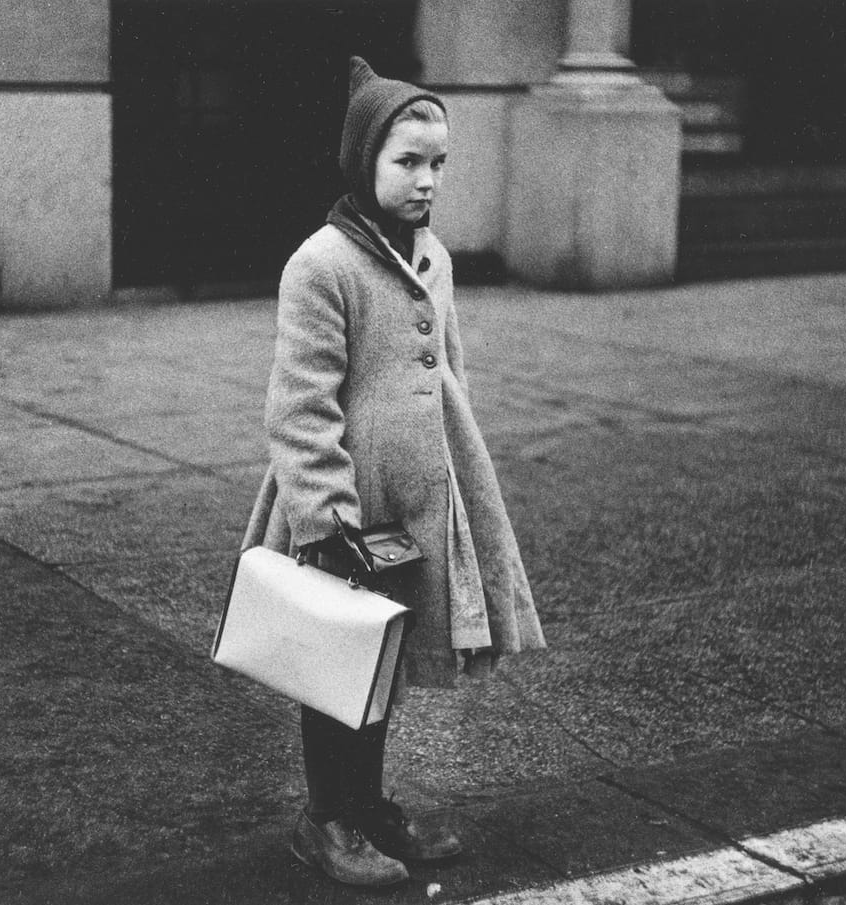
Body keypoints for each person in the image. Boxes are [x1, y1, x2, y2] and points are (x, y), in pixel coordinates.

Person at [242, 56, 547, 887]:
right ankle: (325, 818)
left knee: (382, 664)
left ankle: (368, 805)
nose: (426, 181)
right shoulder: (321, 266)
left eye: (438, 163)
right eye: (407, 162)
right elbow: (299, 410)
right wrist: (330, 525)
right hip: (344, 507)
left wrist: (454, 475)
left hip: (418, 500)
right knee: (333, 663)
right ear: (363, 161)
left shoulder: (433, 257)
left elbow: (450, 365)